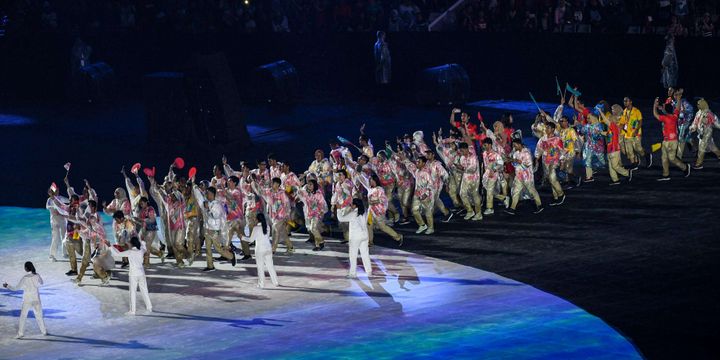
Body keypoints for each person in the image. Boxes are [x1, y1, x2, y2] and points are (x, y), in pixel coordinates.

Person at [109, 237, 152, 316]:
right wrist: (142, 241)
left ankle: (133, 311)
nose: (128, 243)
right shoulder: (141, 250)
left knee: (132, 292)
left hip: (133, 274)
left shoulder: (130, 252)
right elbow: (144, 246)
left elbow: (117, 254)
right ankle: (149, 306)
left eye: (129, 242)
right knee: (144, 290)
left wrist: (110, 246)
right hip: (141, 273)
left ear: (132, 244)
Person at [4, 262, 47, 338]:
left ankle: (20, 333)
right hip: (36, 299)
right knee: (39, 316)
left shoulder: (25, 278)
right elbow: (41, 283)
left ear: (26, 268)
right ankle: (44, 331)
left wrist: (7, 286)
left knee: (23, 317)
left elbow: (16, 288)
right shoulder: (37, 275)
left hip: (27, 300)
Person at [653, 98, 691, 181]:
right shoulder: (675, 116)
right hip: (669, 141)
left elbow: (655, 114)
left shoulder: (665, 118)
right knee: (664, 158)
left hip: (670, 142)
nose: (662, 108)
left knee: (672, 158)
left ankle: (685, 167)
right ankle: (665, 175)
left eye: (663, 107)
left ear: (665, 110)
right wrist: (679, 100)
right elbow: (677, 108)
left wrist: (654, 106)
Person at [505, 139, 543, 215]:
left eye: (515, 145)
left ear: (519, 144)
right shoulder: (515, 153)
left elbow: (527, 165)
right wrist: (513, 161)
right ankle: (512, 208)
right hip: (519, 176)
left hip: (526, 177)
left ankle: (539, 205)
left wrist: (516, 161)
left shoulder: (527, 153)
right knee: (516, 191)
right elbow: (515, 165)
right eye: (513, 145)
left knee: (532, 191)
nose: (514, 147)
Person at [337, 199, 372, 279]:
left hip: (356, 237)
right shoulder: (364, 212)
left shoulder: (354, 214)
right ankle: (369, 271)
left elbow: (341, 219)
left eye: (352, 204)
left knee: (353, 255)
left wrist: (338, 209)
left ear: (355, 205)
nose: (351, 205)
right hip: (364, 235)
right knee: (365, 254)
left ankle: (353, 273)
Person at [534, 122, 567, 203]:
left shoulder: (557, 139)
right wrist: (537, 158)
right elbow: (539, 149)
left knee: (552, 177)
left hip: (554, 161)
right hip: (545, 161)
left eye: (548, 127)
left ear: (552, 129)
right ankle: (556, 197)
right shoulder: (542, 139)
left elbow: (562, 151)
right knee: (551, 178)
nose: (546, 129)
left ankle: (561, 194)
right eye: (546, 127)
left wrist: (562, 161)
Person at [249, 214, 279, 288]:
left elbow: (250, 240)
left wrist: (242, 237)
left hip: (260, 250)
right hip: (268, 248)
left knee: (260, 267)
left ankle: (261, 284)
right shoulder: (267, 227)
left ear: (257, 219)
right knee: (270, 266)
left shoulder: (256, 228)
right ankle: (275, 282)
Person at [620, 97, 651, 169]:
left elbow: (640, 121)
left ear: (631, 102)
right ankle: (634, 163)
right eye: (624, 101)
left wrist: (637, 130)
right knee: (629, 151)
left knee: (638, 149)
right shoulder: (624, 111)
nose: (625, 103)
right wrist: (620, 129)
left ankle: (646, 155)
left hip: (636, 134)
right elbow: (622, 122)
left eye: (626, 101)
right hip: (627, 134)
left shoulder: (636, 111)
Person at [689, 98, 720, 169]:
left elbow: (715, 122)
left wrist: (707, 121)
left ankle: (698, 164)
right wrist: (693, 127)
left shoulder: (709, 114)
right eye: (697, 104)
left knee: (701, 148)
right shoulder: (698, 113)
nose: (697, 105)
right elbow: (695, 122)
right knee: (712, 146)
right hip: (701, 132)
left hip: (707, 132)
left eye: (699, 104)